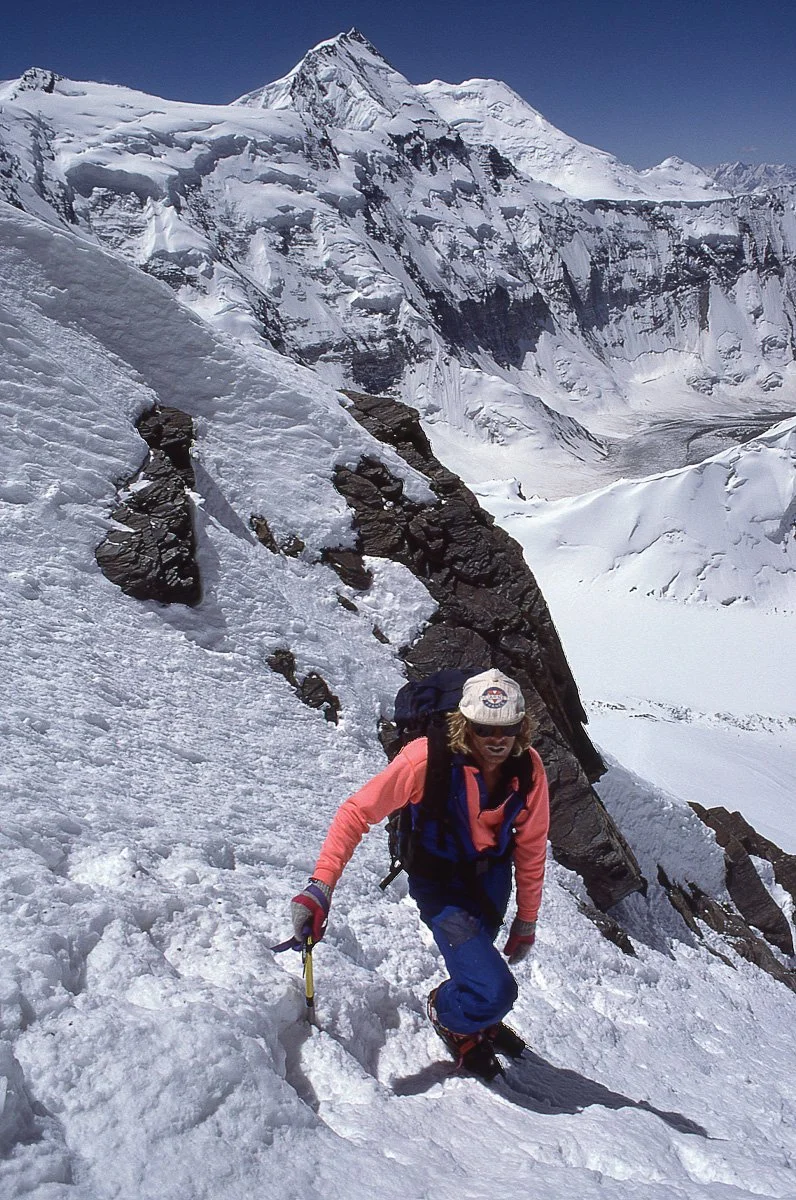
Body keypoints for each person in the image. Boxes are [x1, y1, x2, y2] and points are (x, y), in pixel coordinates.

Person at [289, 667, 550, 1078]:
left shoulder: (528, 768)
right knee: (496, 990)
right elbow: (356, 813)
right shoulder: (426, 759)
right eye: (484, 728)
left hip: (491, 879)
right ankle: (449, 1013)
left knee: (478, 965)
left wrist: (527, 918)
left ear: (522, 726)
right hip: (439, 883)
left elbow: (532, 846)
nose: (497, 740)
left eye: (508, 729)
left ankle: (477, 1014)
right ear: (464, 722)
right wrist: (321, 885)